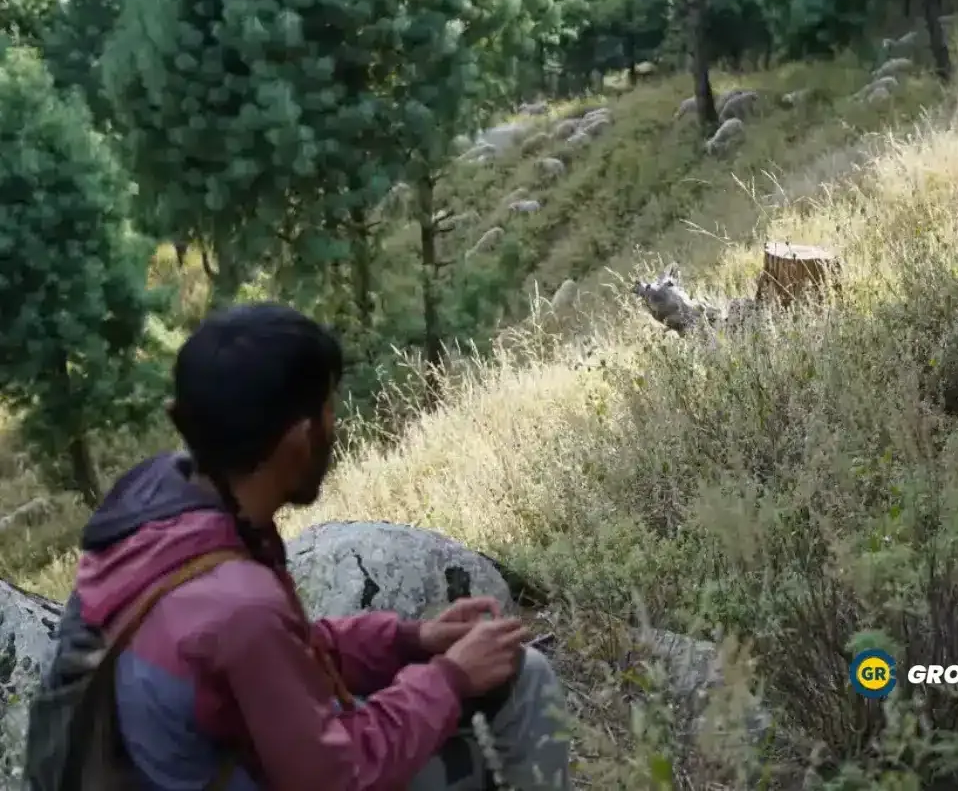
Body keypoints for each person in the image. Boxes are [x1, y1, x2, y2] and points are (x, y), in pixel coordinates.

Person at [25, 303, 571, 790]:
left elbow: (275, 667)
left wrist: (411, 640)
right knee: (524, 680)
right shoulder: (238, 603)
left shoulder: (161, 514)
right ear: (298, 437)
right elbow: (340, 774)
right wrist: (450, 677)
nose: (334, 426)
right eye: (328, 410)